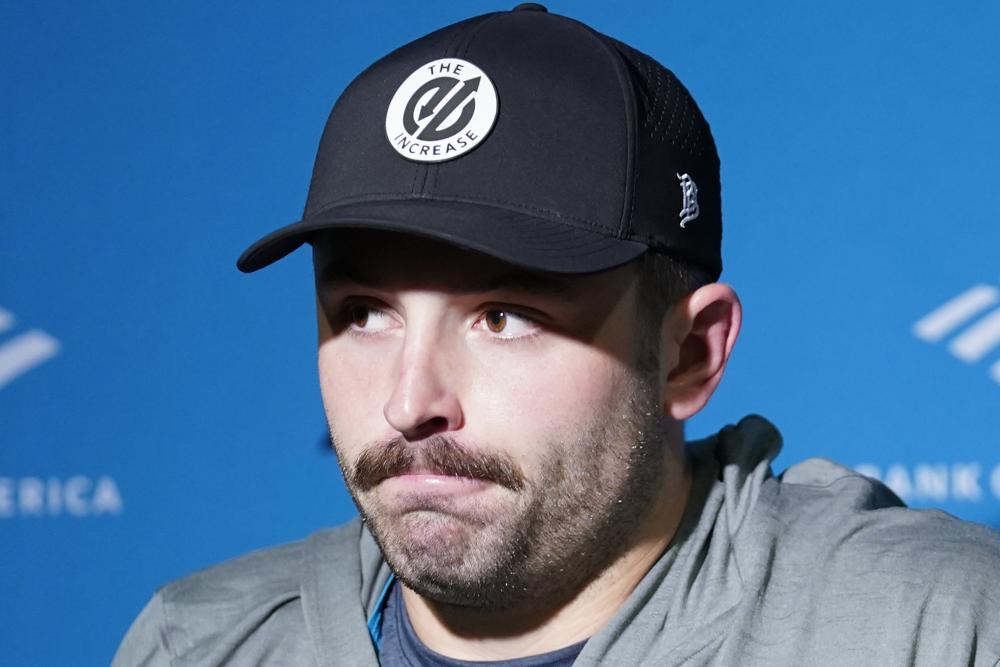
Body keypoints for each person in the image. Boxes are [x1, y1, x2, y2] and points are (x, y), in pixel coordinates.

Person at [113, 5, 1000, 666]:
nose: (409, 401)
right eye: (365, 313)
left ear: (689, 354)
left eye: (505, 317)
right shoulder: (202, 641)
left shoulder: (926, 627)